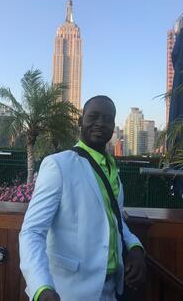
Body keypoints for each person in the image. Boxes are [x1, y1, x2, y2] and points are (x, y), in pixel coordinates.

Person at [19, 95, 146, 301]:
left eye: (107, 118)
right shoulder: (59, 165)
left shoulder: (112, 171)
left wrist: (135, 246)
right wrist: (41, 287)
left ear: (113, 125)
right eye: (93, 116)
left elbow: (117, 220)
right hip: (70, 291)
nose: (100, 123)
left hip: (113, 289)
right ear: (80, 120)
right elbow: (32, 231)